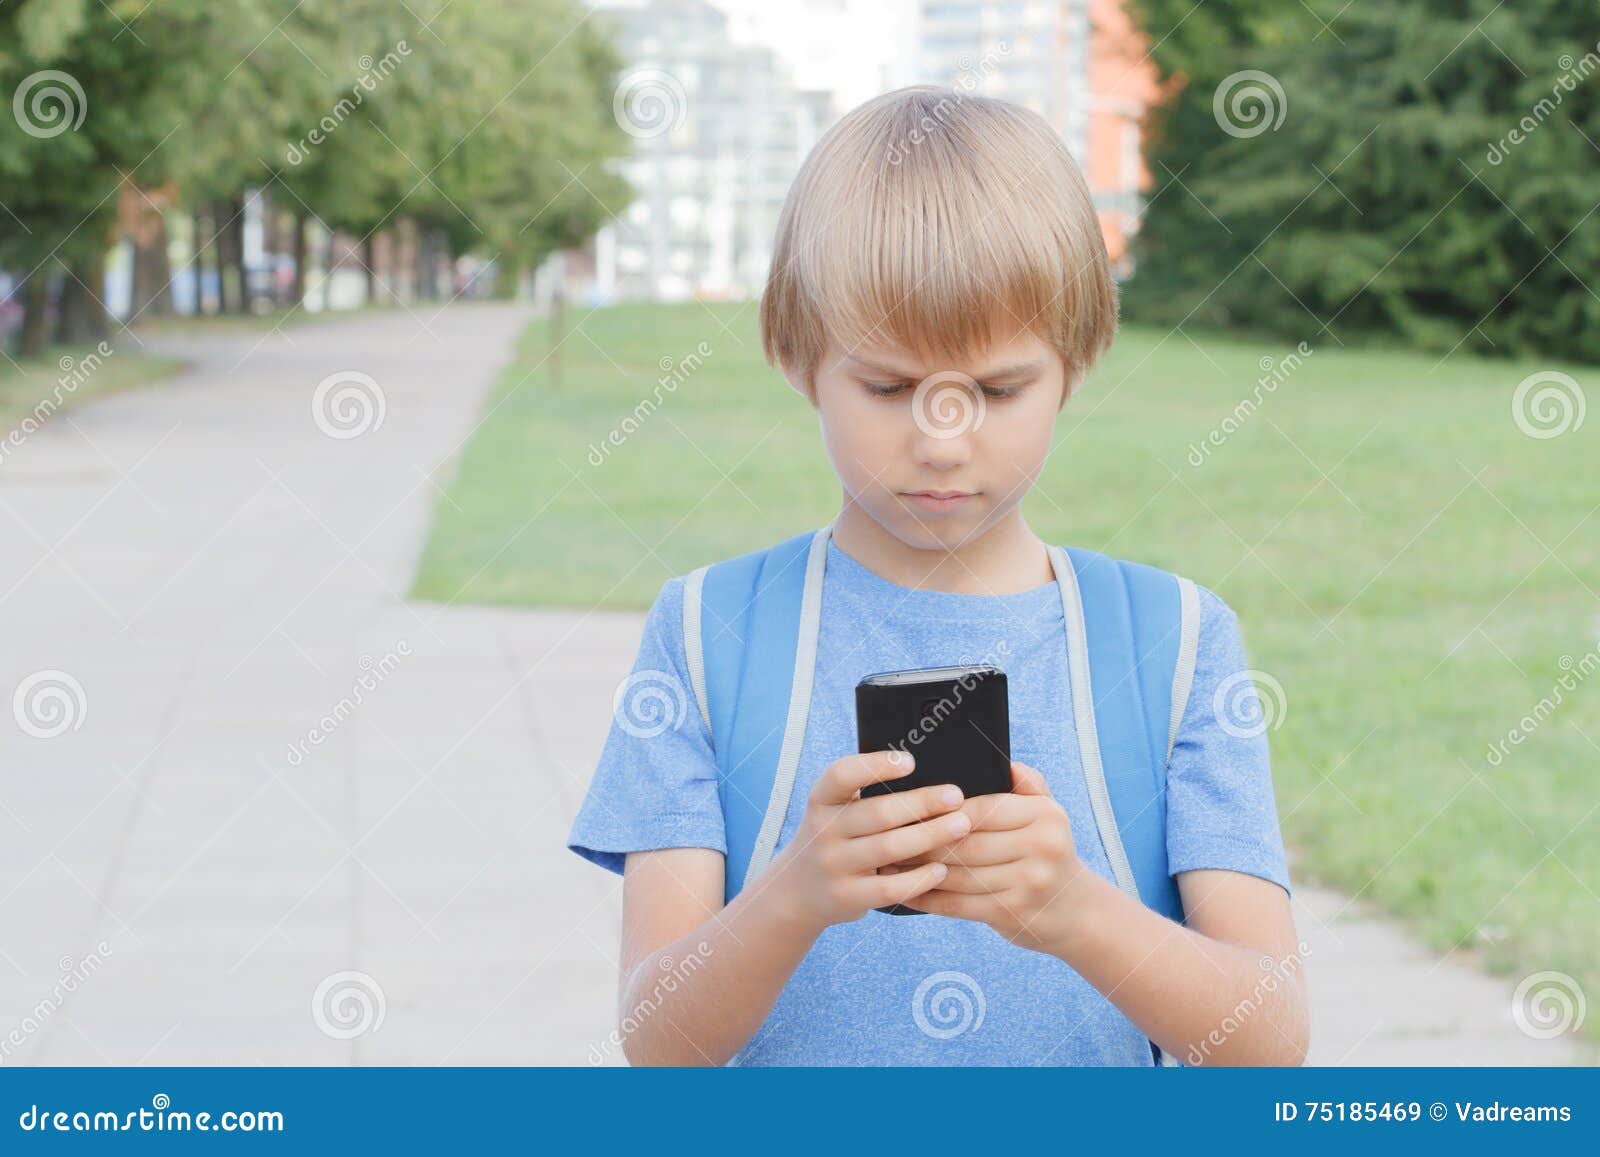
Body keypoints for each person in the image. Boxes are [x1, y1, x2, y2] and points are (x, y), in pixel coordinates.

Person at [567, 86, 1308, 1066]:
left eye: (998, 390)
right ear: (796, 356)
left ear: (1076, 361)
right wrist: (793, 895)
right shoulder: (708, 632)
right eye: (887, 386)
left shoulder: (1173, 640)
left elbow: (1268, 1040)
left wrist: (1075, 909)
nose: (942, 439)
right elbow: (658, 1041)